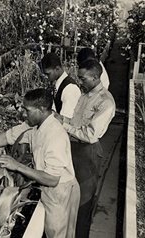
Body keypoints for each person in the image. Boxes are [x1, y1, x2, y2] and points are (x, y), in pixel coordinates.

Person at [0, 88, 80, 238]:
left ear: (41, 109)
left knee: (58, 234)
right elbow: (7, 137)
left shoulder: (55, 136)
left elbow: (52, 179)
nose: (24, 113)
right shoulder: (34, 125)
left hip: (61, 191)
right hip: (50, 189)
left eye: (27, 110)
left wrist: (17, 166)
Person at [54, 59, 115, 238]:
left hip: (88, 153)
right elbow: (75, 122)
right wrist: (61, 119)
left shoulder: (105, 102)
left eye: (83, 78)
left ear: (96, 77)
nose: (79, 82)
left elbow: (90, 135)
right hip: (73, 147)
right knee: (67, 197)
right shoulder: (85, 94)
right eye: (79, 78)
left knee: (82, 203)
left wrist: (64, 126)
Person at [41, 52, 81, 120]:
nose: (46, 77)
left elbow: (66, 120)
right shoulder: (57, 84)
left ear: (57, 69)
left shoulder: (70, 89)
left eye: (48, 74)